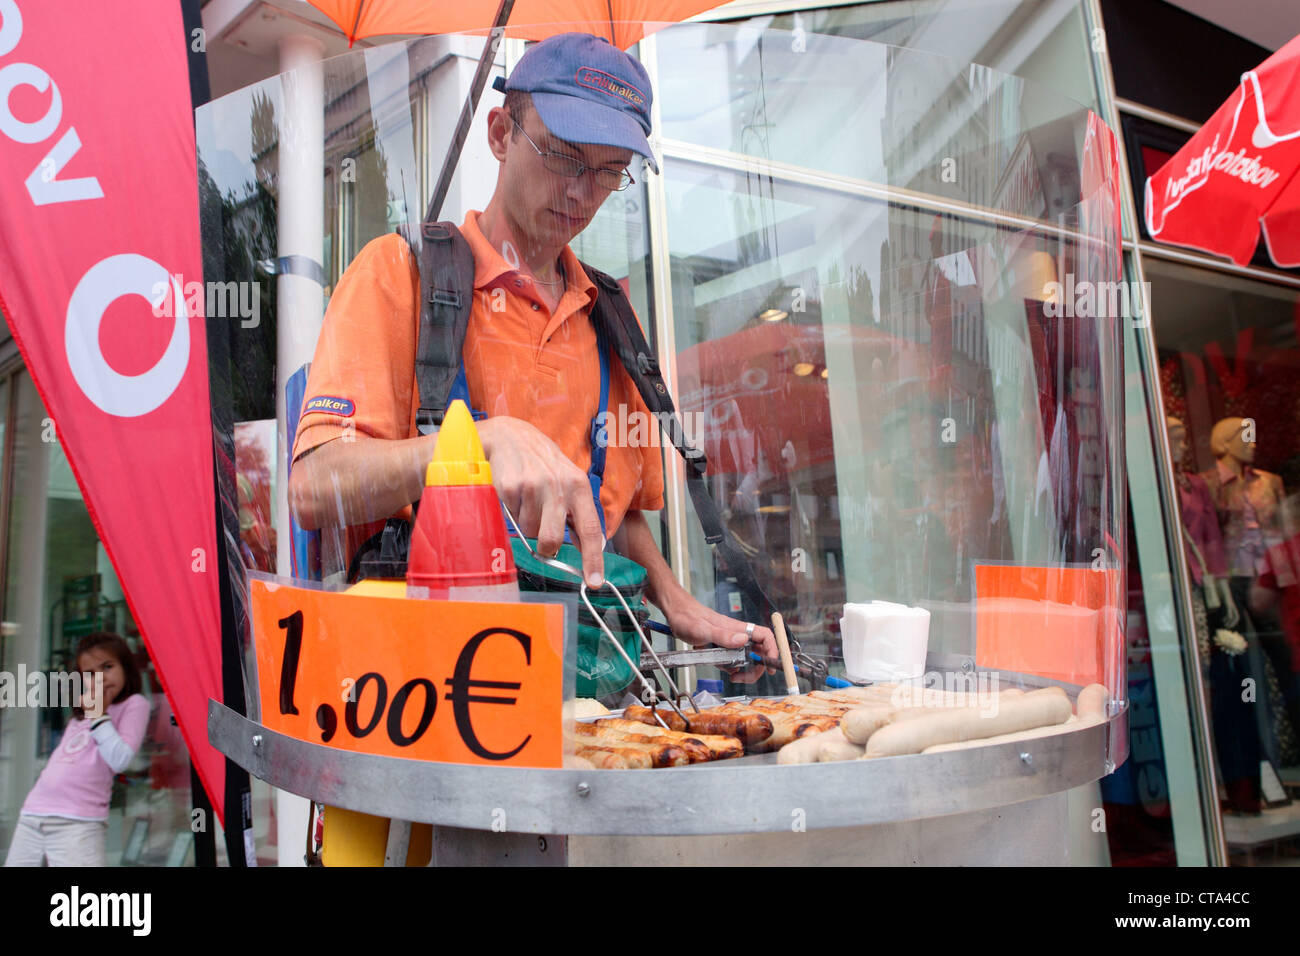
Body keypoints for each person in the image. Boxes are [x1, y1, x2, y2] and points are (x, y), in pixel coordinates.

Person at [289, 33, 776, 681]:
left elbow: (617, 514)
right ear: (499, 133)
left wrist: (677, 601)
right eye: (563, 157)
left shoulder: (612, 318)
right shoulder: (397, 275)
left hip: (589, 699)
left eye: (608, 172)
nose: (581, 193)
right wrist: (478, 443)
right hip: (422, 697)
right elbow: (313, 486)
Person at [4, 633, 149, 866]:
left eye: (108, 667)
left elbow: (120, 759)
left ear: (126, 668)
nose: (100, 678)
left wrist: (99, 715)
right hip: (34, 813)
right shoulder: (79, 718)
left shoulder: (133, 705)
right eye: (90, 674)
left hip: (79, 820)